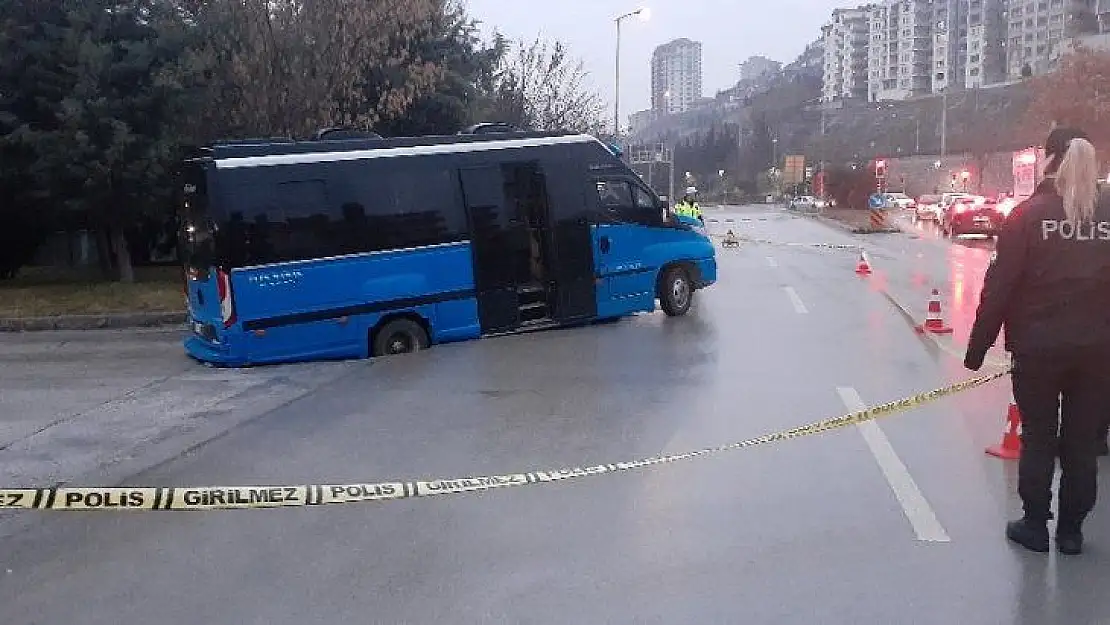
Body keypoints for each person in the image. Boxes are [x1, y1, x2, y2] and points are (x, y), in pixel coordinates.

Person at [964, 127, 1110, 556]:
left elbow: (1001, 287)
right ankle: (1071, 533)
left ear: (1049, 160)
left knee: (1040, 437)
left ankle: (1034, 526)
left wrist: (976, 350)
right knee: (1083, 442)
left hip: (1038, 349)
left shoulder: (1027, 216)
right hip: (1099, 351)